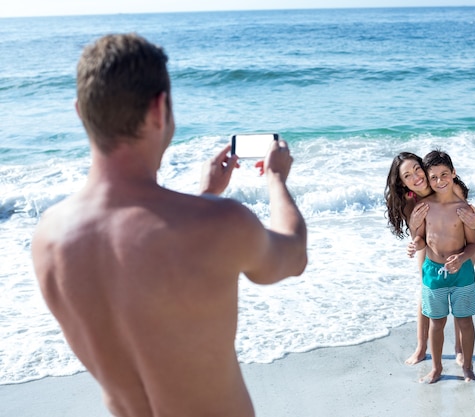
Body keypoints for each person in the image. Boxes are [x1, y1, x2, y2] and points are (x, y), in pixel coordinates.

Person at [31, 33, 307, 417]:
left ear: (81, 112)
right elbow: (292, 254)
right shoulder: (219, 223)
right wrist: (276, 179)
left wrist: (206, 192)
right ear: (160, 109)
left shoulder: (49, 235)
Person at [384, 152, 475, 366]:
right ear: (402, 183)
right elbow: (417, 235)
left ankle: (459, 347)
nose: (416, 177)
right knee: (426, 288)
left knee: (458, 287)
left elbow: (467, 215)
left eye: (417, 169)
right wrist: (414, 234)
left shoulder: (445, 183)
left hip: (462, 236)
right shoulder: (411, 202)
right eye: (407, 175)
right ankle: (421, 347)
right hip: (428, 241)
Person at [411, 149, 475, 383]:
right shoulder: (424, 206)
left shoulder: (463, 208)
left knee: (465, 320)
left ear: (453, 173)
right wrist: (414, 245)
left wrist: (461, 258)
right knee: (436, 322)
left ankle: (468, 367)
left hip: (462, 273)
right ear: (428, 181)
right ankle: (436, 368)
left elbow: (471, 244)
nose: (440, 181)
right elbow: (420, 237)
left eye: (444, 174)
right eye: (434, 177)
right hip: (433, 271)